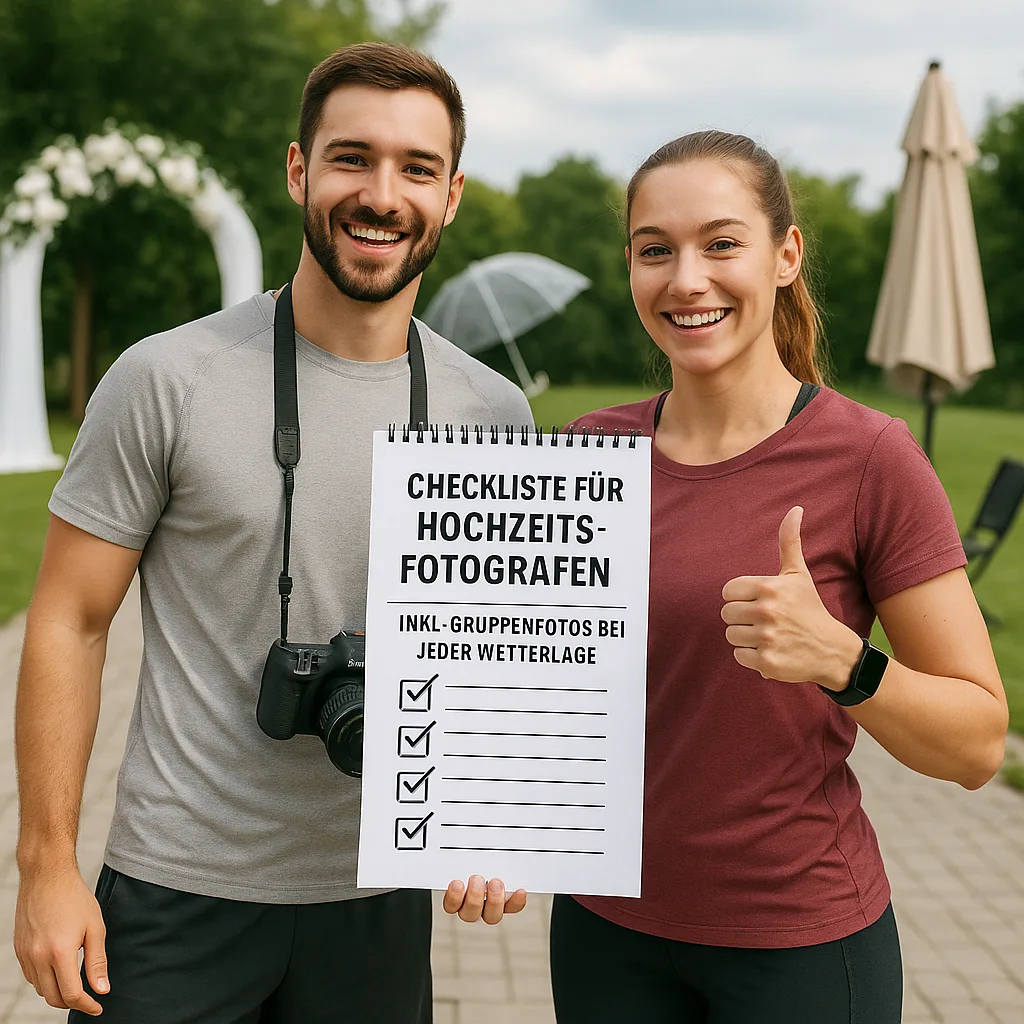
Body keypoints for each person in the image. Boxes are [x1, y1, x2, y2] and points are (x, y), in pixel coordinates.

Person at [13, 43, 531, 1023]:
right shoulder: (166, 378)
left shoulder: (493, 412)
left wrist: (499, 824)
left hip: (381, 900)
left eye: (416, 168)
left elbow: (504, 654)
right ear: (298, 169)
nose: (381, 194)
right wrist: (45, 867)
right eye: (351, 158)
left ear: (451, 195)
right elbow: (69, 621)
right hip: (175, 889)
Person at [550, 130, 1008, 1024]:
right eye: (656, 250)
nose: (686, 278)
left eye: (722, 243)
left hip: (797, 946)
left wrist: (845, 662)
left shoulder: (872, 458)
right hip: (604, 936)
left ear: (786, 255)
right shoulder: (586, 454)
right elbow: (530, 697)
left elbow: (979, 745)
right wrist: (480, 829)